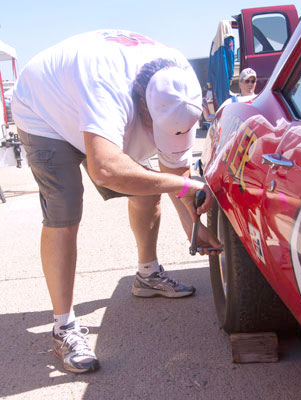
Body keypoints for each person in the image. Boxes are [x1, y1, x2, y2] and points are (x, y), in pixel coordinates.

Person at [12, 29, 222, 374]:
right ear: (142, 107)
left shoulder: (180, 86)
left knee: (148, 186)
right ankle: (63, 327)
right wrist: (182, 186)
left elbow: (175, 172)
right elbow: (106, 169)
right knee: (65, 209)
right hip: (44, 108)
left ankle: (147, 274)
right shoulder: (107, 90)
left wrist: (192, 228)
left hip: (86, 93)